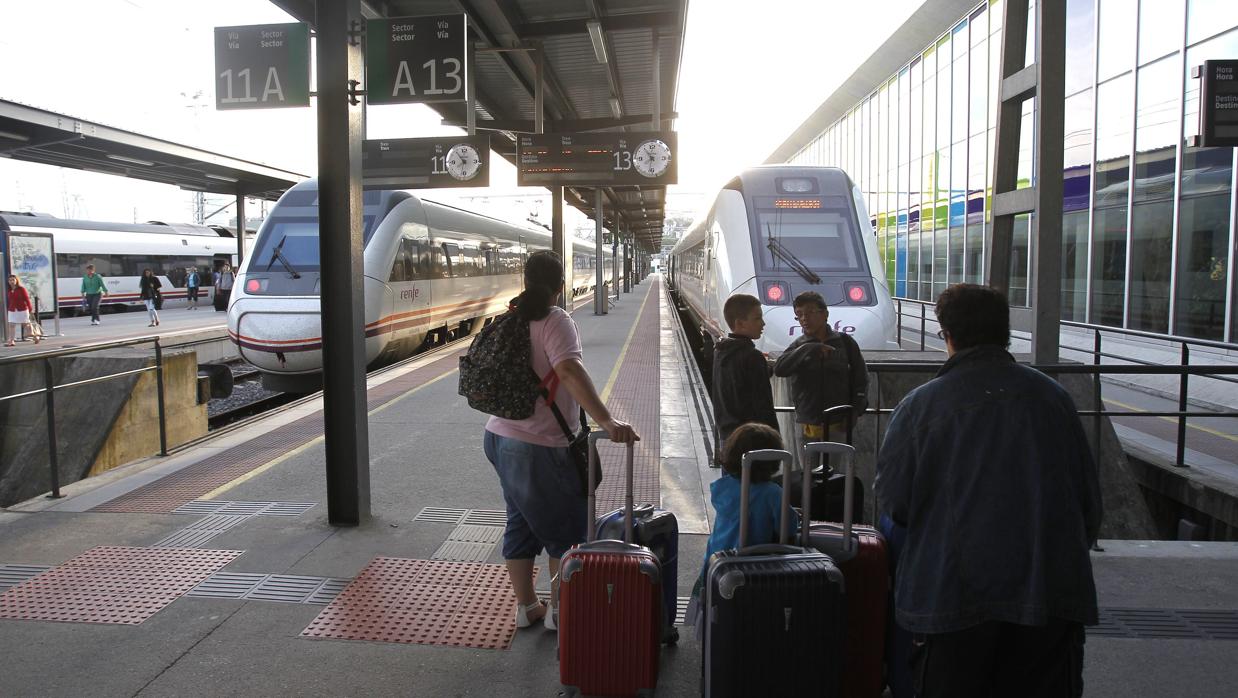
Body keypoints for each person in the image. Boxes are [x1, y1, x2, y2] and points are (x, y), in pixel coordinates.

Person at [873, 284, 1102, 698]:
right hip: (1048, 594)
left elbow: (896, 504)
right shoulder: (1054, 399)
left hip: (952, 597)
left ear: (947, 334)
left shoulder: (920, 407)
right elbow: (1088, 504)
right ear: (1005, 332)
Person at [482, 250, 639, 631]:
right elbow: (567, 370)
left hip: (498, 436)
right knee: (565, 533)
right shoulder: (555, 320)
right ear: (561, 284)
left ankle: (526, 608)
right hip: (537, 444)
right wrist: (606, 419)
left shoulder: (510, 316)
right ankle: (559, 613)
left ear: (525, 279)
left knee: (520, 523)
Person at [686, 423, 798, 629]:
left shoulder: (723, 488)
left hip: (716, 564)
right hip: (753, 568)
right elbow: (789, 527)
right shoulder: (772, 493)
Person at [773, 291, 868, 447]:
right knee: (808, 470)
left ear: (825, 314)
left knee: (834, 469)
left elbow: (861, 379)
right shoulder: (798, 346)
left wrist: (855, 410)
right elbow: (780, 369)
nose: (804, 318)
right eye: (799, 314)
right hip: (807, 422)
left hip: (838, 421)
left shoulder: (845, 343)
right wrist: (810, 348)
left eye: (810, 312)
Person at [711, 293, 779, 445]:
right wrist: (774, 438)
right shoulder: (752, 357)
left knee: (731, 469)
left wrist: (765, 369)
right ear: (740, 323)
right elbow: (763, 404)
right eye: (757, 318)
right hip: (751, 439)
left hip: (727, 434)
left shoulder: (721, 350)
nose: (763, 324)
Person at [5, 275, 39, 346]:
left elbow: (27, 299)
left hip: (22, 310)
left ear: (16, 280)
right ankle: (11, 341)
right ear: (8, 282)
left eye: (13, 280)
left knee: (26, 325)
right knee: (11, 325)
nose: (11, 281)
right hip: (12, 310)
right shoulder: (9, 290)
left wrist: (30, 309)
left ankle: (35, 337)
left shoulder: (21, 289)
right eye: (10, 280)